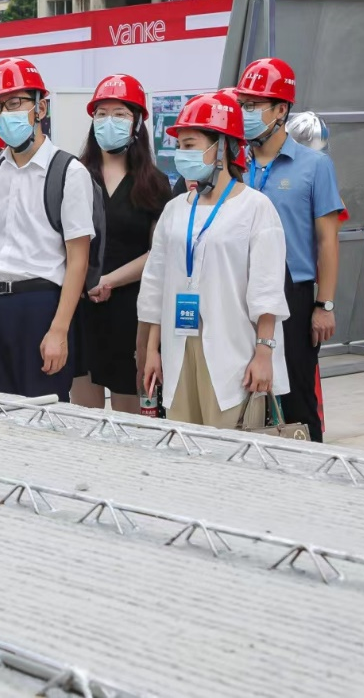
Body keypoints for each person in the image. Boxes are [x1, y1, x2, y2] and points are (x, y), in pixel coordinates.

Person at [138, 92, 290, 428]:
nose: (182, 155)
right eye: (180, 146)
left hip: (232, 350)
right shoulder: (175, 209)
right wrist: (152, 351)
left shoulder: (256, 208)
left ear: (221, 147)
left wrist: (264, 354)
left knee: (229, 452)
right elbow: (155, 284)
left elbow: (267, 289)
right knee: (184, 449)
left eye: (191, 145)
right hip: (179, 348)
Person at [0, 57, 96, 399]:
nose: (6, 113)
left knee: (45, 416)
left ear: (40, 107)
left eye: (16, 102)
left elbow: (78, 258)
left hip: (39, 305)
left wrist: (59, 330)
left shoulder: (68, 171)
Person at [236, 57, 343, 442]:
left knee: (296, 393)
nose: (246, 113)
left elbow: (328, 239)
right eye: (242, 105)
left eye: (254, 106)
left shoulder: (314, 166)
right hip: (237, 291)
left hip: (292, 296)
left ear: (281, 110)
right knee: (241, 388)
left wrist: (323, 305)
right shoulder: (232, 164)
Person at [71, 74, 171, 413]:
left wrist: (110, 280)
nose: (108, 121)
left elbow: (157, 254)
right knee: (84, 415)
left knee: (133, 417)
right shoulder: (75, 175)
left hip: (132, 310)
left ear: (137, 122)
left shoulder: (154, 184)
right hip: (81, 306)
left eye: (119, 114)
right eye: (101, 113)